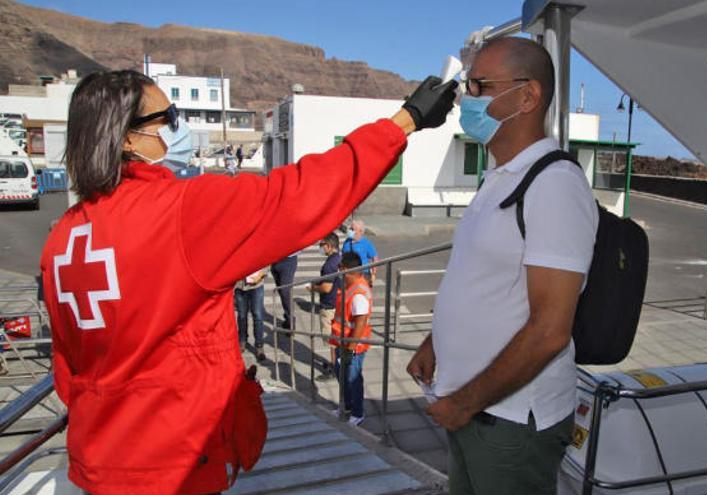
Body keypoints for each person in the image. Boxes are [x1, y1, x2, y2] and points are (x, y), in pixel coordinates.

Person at [40, 69, 456, 494]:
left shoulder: (62, 237)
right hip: (173, 464)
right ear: (127, 137)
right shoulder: (183, 212)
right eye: (168, 117)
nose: (175, 129)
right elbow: (299, 195)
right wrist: (406, 120)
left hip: (97, 460)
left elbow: (65, 365)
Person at [406, 38, 598, 495]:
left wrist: (464, 404)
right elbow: (484, 281)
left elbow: (550, 330)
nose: (464, 99)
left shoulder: (554, 185)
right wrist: (438, 342)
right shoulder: (501, 177)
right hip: (477, 411)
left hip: (508, 420)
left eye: (479, 85)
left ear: (528, 96)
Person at [328, 252, 373, 426]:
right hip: (344, 342)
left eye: (340, 268)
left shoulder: (358, 292)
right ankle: (345, 406)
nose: (338, 271)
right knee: (342, 375)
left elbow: (360, 322)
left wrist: (351, 349)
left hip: (354, 346)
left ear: (346, 269)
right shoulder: (349, 285)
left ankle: (357, 413)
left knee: (353, 378)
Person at [308, 233, 342, 370]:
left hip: (329, 305)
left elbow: (326, 288)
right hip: (338, 302)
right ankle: (338, 364)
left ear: (328, 246)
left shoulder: (329, 265)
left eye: (321, 245)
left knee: (332, 339)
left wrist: (313, 288)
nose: (320, 247)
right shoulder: (340, 259)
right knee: (338, 337)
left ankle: (334, 367)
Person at [235, 267, 267, 361]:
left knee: (258, 315)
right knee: (242, 315)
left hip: (256, 284)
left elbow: (266, 260)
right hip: (239, 285)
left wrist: (261, 274)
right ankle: (242, 340)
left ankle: (259, 345)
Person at [342, 219, 378, 284]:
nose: (350, 231)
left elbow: (374, 257)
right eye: (350, 229)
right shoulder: (347, 242)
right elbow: (342, 256)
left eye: (352, 229)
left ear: (360, 231)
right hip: (348, 273)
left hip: (363, 273)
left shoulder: (366, 243)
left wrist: (373, 273)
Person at [270, 252, 299, 329]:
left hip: (289, 259)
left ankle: (290, 321)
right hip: (275, 259)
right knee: (281, 292)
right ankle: (288, 317)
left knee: (285, 291)